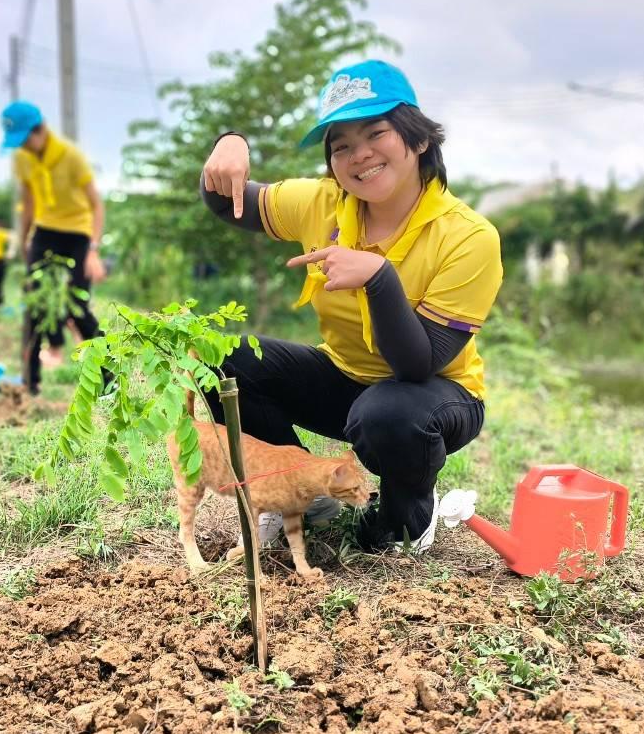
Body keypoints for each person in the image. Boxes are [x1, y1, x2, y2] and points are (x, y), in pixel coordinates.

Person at [199, 60, 503, 553]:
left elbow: (417, 363)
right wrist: (229, 143)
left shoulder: (468, 237)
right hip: (346, 378)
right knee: (221, 361)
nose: (359, 155)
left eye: (376, 133)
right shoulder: (321, 202)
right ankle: (303, 492)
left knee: (386, 415)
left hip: (434, 394)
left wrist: (379, 278)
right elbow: (224, 201)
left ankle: (409, 514)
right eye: (341, 146)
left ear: (420, 139)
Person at [1, 100, 107, 394]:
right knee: (35, 304)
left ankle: (108, 380)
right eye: (18, 142)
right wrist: (24, 241)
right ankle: (30, 383)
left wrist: (93, 249)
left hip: (77, 232)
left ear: (41, 129)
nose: (24, 147)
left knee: (78, 305)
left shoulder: (71, 157)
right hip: (45, 232)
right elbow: (29, 202)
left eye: (26, 140)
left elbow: (97, 205)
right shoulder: (22, 158)